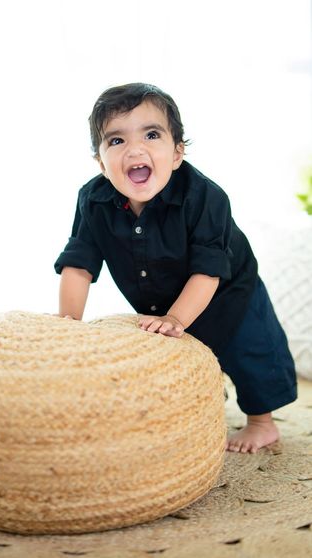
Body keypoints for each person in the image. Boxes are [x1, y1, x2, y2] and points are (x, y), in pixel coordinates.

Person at [54, 82, 297, 454]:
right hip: (157, 291)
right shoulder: (94, 200)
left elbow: (208, 271)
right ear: (102, 164)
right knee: (171, 359)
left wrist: (177, 318)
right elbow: (79, 264)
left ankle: (261, 423)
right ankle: (194, 404)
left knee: (249, 349)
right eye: (116, 141)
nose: (135, 148)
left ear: (177, 153)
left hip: (228, 286)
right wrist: (67, 323)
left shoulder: (205, 197)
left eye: (151, 135)